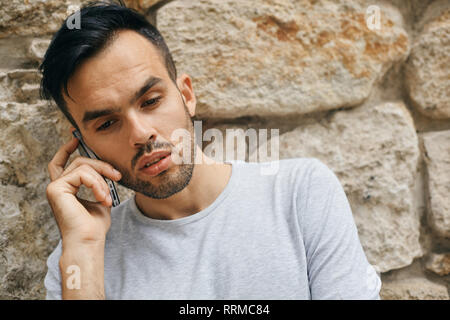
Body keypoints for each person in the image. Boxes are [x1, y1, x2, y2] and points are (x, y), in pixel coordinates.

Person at [40, 1, 381, 300]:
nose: (142, 134)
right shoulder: (79, 260)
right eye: (107, 124)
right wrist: (84, 250)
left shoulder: (300, 194)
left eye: (151, 101)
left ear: (186, 95)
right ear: (83, 144)